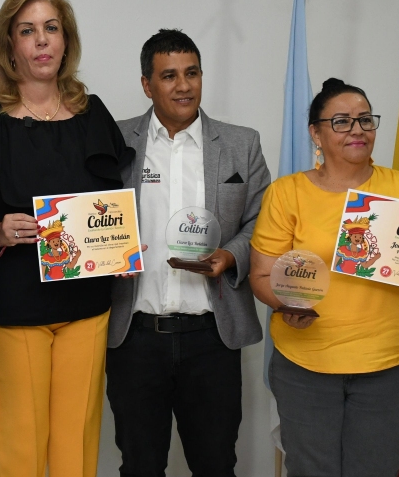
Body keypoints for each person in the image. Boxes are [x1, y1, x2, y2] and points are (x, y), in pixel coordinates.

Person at [0, 0, 133, 477]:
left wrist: (124, 242)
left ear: (66, 41)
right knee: (20, 454)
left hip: (86, 307)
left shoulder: (93, 113)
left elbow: (113, 205)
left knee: (77, 452)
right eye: (27, 31)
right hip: (11, 307)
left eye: (51, 28)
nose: (41, 41)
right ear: (10, 46)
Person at [249, 78, 399, 477]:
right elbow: (262, 275)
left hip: (392, 368)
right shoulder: (287, 193)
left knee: (377, 470)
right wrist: (285, 303)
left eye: (365, 120)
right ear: (316, 132)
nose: (357, 130)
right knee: (312, 470)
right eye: (342, 121)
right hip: (307, 367)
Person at [106, 29, 271, 477]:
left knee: (216, 464)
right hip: (135, 336)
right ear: (147, 84)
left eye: (192, 73)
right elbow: (90, 217)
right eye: (169, 75)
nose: (184, 85)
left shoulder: (242, 144)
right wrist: (105, 257)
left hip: (212, 338)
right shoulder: (113, 142)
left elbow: (265, 222)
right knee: (140, 466)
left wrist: (233, 254)